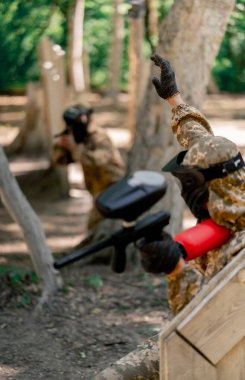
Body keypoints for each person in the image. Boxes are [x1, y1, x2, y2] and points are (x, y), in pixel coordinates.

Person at [94, 54, 245, 379]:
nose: (184, 190)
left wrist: (176, 270)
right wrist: (174, 97)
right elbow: (200, 139)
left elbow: (211, 321)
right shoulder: (233, 187)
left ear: (211, 187)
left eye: (190, 182)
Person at [53, 104, 125, 240]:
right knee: (97, 227)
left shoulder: (100, 137)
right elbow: (60, 161)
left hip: (113, 186)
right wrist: (62, 146)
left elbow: (98, 161)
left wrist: (74, 148)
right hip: (98, 190)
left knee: (95, 225)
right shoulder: (78, 136)